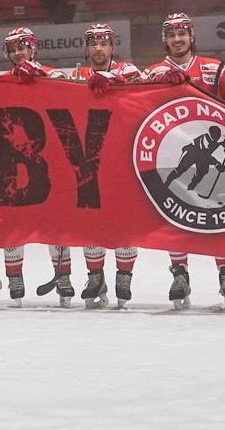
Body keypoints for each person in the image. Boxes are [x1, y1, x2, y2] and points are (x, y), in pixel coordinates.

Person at [143, 13, 225, 310]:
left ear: (191, 36)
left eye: (182, 34)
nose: (177, 39)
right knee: (173, 215)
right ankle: (180, 274)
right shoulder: (152, 72)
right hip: (171, 152)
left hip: (208, 153)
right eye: (171, 34)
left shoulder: (215, 69)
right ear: (165, 39)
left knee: (218, 212)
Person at [1, 27, 76, 306]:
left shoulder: (54, 74)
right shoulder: (2, 81)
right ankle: (15, 278)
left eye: (23, 47)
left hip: (50, 161)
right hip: (13, 162)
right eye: (13, 49)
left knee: (56, 220)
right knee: (13, 223)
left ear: (34, 49)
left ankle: (63, 274)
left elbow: (69, 102)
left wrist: (40, 79)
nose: (18, 53)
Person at [69, 23, 143, 308]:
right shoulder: (76, 75)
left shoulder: (129, 71)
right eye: (93, 43)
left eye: (104, 42)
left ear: (113, 46)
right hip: (88, 156)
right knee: (91, 219)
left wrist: (114, 84)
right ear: (86, 48)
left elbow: (142, 100)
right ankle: (95, 275)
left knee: (124, 219)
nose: (98, 48)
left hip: (124, 155)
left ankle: (124, 276)